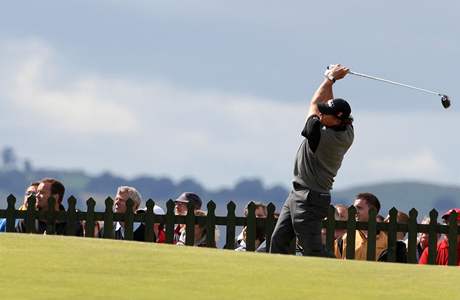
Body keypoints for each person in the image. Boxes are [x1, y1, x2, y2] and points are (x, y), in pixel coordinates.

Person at [270, 64, 354, 256]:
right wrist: (332, 82)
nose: (322, 114)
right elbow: (327, 103)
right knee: (278, 242)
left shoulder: (320, 136)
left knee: (312, 250)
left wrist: (330, 78)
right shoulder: (348, 130)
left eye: (326, 114)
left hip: (309, 198)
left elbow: (314, 103)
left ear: (338, 120)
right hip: (299, 194)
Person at [15, 178, 83, 236]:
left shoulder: (73, 224)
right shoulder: (26, 221)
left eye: (42, 193)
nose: (37, 196)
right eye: (37, 192)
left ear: (55, 197)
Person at [99, 186, 164, 242]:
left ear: (134, 205)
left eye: (121, 200)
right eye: (116, 199)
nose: (117, 202)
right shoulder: (106, 229)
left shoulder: (147, 234)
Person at [335, 193, 387, 260]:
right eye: (354, 208)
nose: (355, 211)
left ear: (373, 211)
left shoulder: (386, 241)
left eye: (359, 208)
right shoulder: (343, 239)